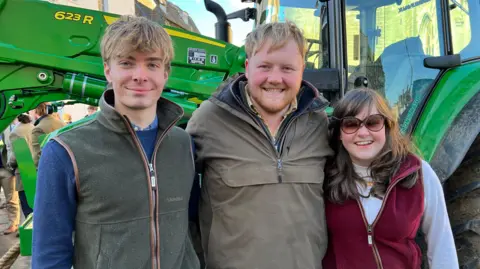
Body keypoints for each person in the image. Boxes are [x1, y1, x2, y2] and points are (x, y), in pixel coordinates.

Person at [32, 15, 199, 269]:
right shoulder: (66, 151)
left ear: (166, 73)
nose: (140, 75)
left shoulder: (183, 144)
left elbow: (192, 226)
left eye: (152, 65)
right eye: (127, 63)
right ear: (108, 70)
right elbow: (50, 253)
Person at [186, 21, 333, 269]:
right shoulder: (209, 119)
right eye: (264, 66)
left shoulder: (320, 124)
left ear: (302, 70)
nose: (275, 79)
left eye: (287, 68)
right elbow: (175, 202)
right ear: (247, 67)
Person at [322, 88, 459, 269]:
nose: (363, 133)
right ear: (339, 133)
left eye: (373, 122)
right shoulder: (324, 176)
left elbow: (442, 245)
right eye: (351, 124)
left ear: (387, 126)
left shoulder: (417, 173)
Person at [8, 113, 35, 218]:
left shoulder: (15, 132)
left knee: (29, 212)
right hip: (38, 170)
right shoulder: (34, 127)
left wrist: (10, 164)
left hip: (25, 173)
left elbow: (15, 157)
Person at [31, 102, 66, 167]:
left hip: (49, 169)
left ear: (35, 110)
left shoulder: (38, 129)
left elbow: (38, 157)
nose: (29, 113)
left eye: (30, 111)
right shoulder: (62, 123)